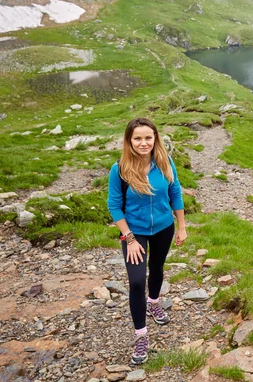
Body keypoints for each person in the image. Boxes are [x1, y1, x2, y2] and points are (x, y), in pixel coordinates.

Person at [107, 117, 187, 365]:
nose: (143, 143)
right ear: (129, 140)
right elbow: (114, 205)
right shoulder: (119, 169)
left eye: (148, 138)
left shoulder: (165, 162)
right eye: (138, 138)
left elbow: (175, 192)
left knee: (158, 268)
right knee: (136, 280)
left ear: (155, 139)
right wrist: (129, 238)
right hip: (135, 232)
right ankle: (140, 335)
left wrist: (182, 226)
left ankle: (154, 302)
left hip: (164, 227)